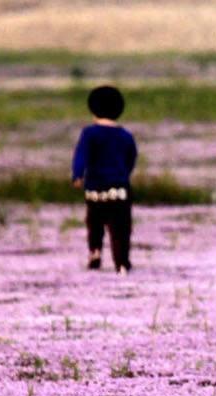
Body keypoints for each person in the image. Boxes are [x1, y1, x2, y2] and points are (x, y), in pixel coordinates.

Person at [71, 84, 138, 274]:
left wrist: (77, 175)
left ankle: (95, 251)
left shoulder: (89, 133)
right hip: (119, 188)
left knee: (95, 223)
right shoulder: (125, 135)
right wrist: (125, 173)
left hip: (95, 188)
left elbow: (81, 156)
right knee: (120, 227)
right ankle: (122, 262)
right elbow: (131, 157)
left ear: (92, 109)